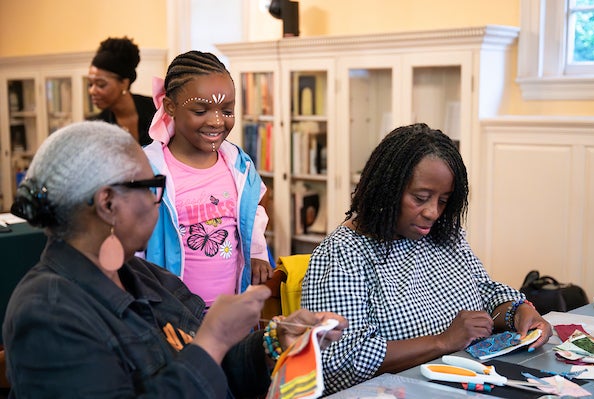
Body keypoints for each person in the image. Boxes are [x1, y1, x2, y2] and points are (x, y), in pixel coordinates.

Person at [2, 121, 347, 398]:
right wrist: (212, 339)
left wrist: (273, 343)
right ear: (108, 203)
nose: (158, 200)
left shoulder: (147, 277)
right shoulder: (48, 311)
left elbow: (221, 370)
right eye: (152, 186)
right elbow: (203, 358)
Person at [301, 123, 553, 394]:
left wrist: (519, 311)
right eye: (421, 198)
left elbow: (484, 291)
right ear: (387, 190)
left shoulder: (443, 236)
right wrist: (443, 341)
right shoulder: (342, 254)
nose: (433, 212)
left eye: (443, 201)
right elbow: (337, 361)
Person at [143, 51, 272, 307]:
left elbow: (251, 212)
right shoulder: (147, 170)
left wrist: (257, 251)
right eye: (201, 110)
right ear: (170, 107)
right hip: (172, 317)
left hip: (231, 311)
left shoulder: (238, 163)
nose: (216, 122)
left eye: (227, 111)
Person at [87, 36, 156, 146]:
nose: (92, 91)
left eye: (101, 84)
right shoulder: (98, 126)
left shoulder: (157, 111)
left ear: (124, 83)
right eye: (90, 84)